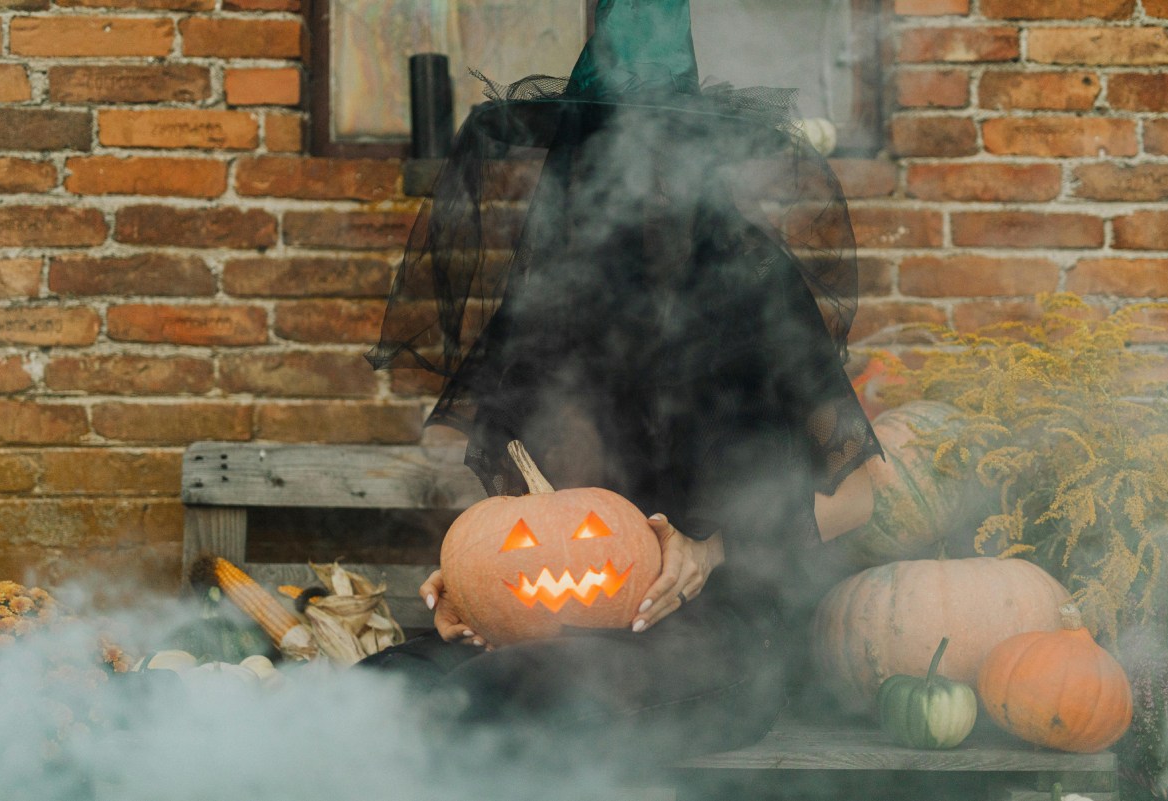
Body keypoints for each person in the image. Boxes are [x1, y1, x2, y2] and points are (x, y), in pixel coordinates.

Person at [361, 0, 882, 786]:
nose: (647, 169)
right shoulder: (556, 298)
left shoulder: (757, 287)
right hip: (559, 628)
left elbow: (862, 493)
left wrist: (711, 549)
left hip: (717, 633)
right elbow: (527, 510)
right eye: (615, 145)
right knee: (382, 689)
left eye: (669, 143)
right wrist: (467, 585)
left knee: (493, 698)